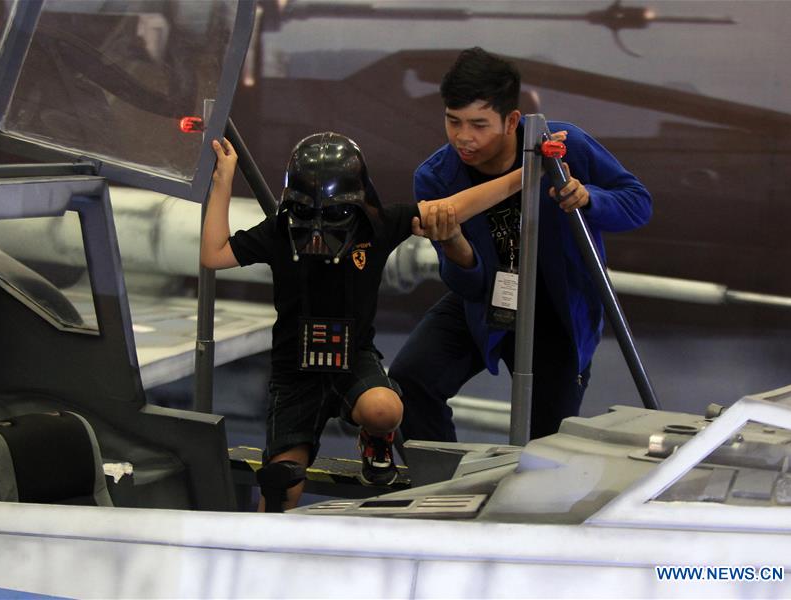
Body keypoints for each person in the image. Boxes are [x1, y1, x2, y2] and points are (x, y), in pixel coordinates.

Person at [201, 130, 572, 511]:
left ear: (358, 204)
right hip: (294, 374)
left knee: (385, 409)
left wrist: (528, 172)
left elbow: (452, 208)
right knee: (281, 488)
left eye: (334, 214)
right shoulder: (278, 233)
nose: (318, 229)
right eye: (305, 212)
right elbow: (214, 254)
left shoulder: (377, 225)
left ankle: (376, 438)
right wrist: (223, 179)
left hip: (353, 361)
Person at [388, 47, 652, 443]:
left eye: (479, 124)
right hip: (484, 301)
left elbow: (638, 204)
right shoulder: (436, 176)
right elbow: (468, 285)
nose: (463, 137)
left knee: (548, 442)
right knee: (410, 380)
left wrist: (589, 198)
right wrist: (455, 244)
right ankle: (439, 478)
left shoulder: (565, 145)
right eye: (453, 121)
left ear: (512, 120)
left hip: (556, 310)